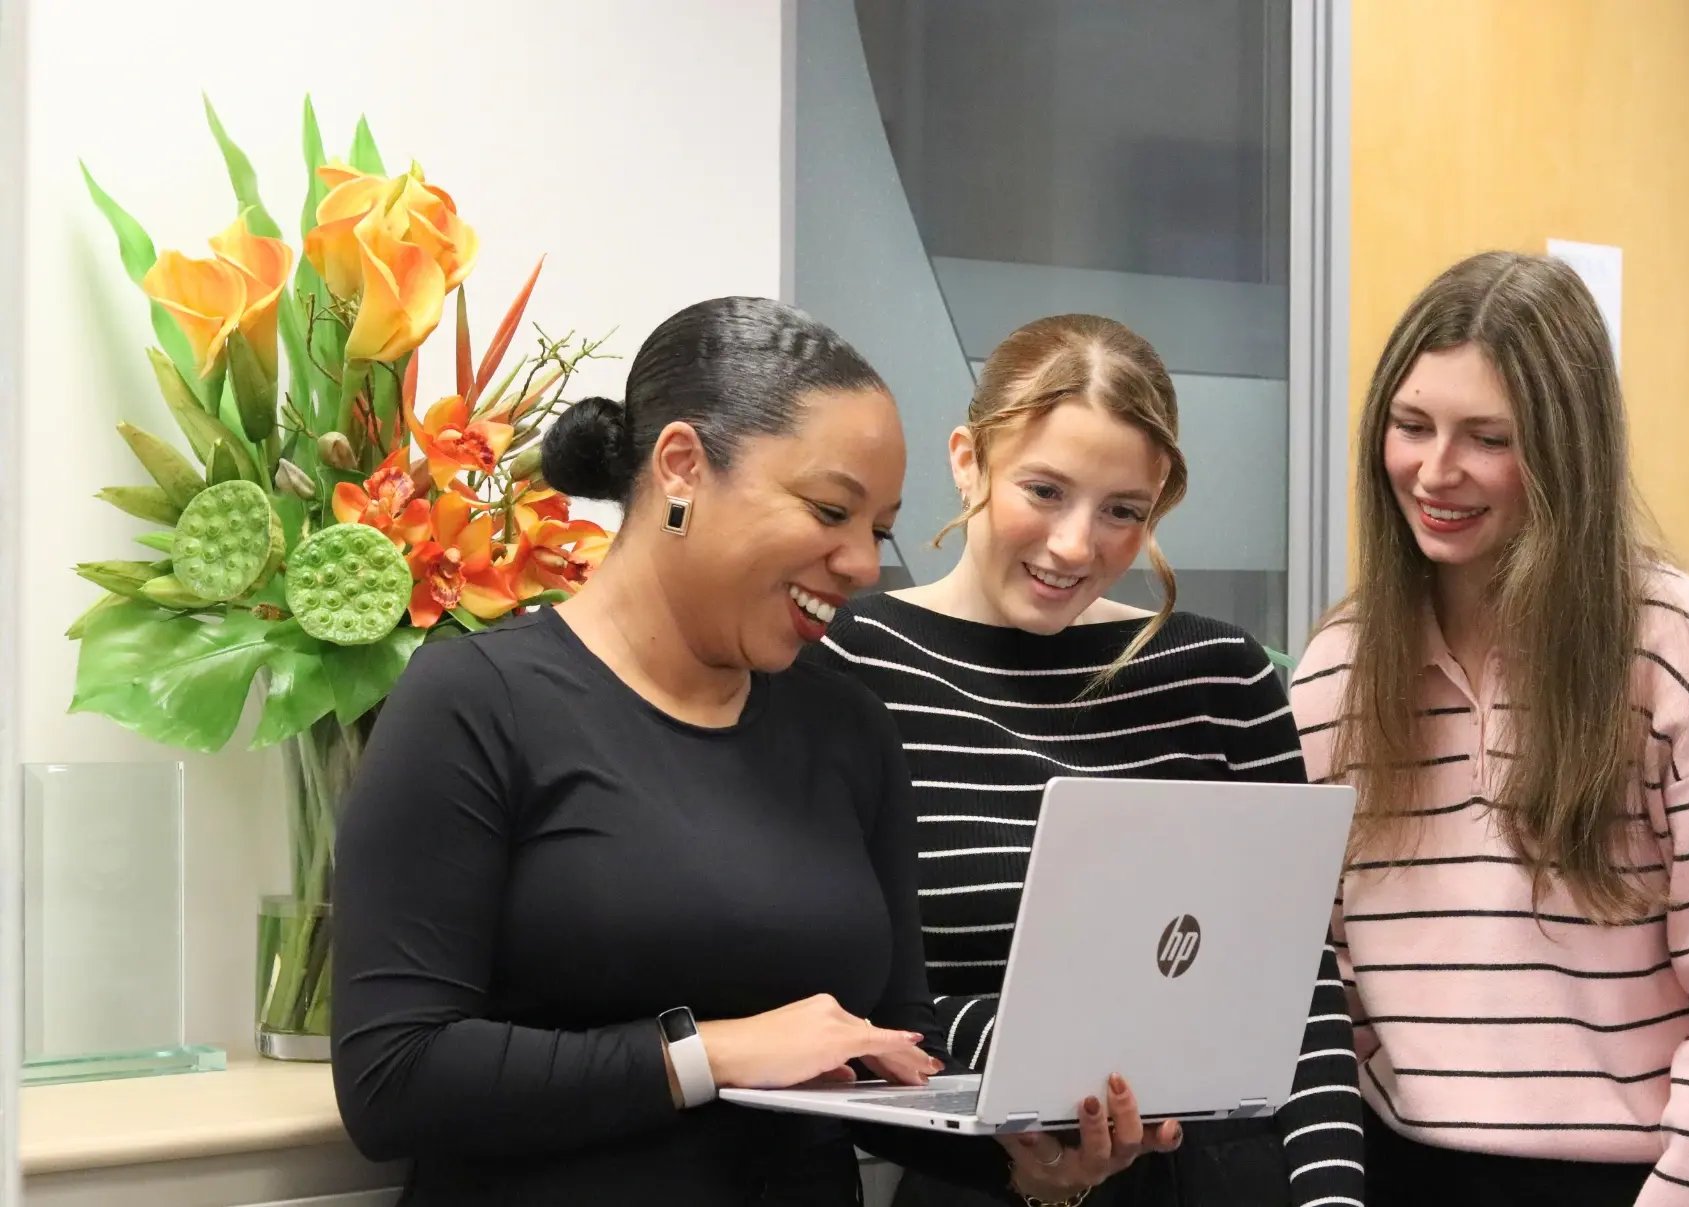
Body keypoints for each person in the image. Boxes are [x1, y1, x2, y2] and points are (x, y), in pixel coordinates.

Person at [329, 298, 1170, 1206]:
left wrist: (1029, 1155)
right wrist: (711, 1052)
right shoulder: (474, 703)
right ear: (683, 467)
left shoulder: (847, 727)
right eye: (829, 510)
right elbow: (393, 1077)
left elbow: (889, 1064)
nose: (859, 563)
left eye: (878, 528)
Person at [1291, 252, 1689, 1206]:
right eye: (1411, 425)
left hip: (1633, 1182)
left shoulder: (1668, 646)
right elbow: (1310, 971)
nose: (1436, 470)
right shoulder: (1338, 671)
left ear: (1565, 447)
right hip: (1396, 1171)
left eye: (1487, 437)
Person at [804, 314, 1367, 1207]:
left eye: (1122, 512)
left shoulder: (1222, 677)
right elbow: (835, 992)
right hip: (984, 1183)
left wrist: (1334, 1197)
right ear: (966, 459)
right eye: (1044, 490)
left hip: (1214, 1181)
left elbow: (1299, 981)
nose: (1076, 545)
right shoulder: (854, 662)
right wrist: (1018, 1058)